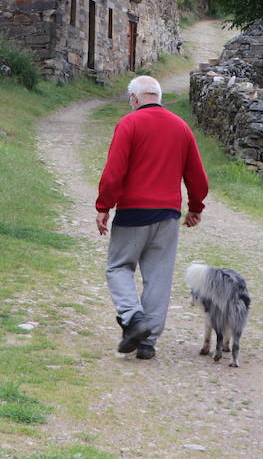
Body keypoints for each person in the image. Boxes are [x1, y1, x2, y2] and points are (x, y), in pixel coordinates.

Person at [96, 74, 209, 360]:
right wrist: (195, 206)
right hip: (168, 215)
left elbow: (114, 172)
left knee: (119, 267)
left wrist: (104, 206)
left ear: (134, 98)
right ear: (157, 96)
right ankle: (148, 342)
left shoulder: (129, 123)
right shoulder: (181, 127)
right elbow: (197, 176)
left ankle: (134, 319)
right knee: (158, 277)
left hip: (133, 212)